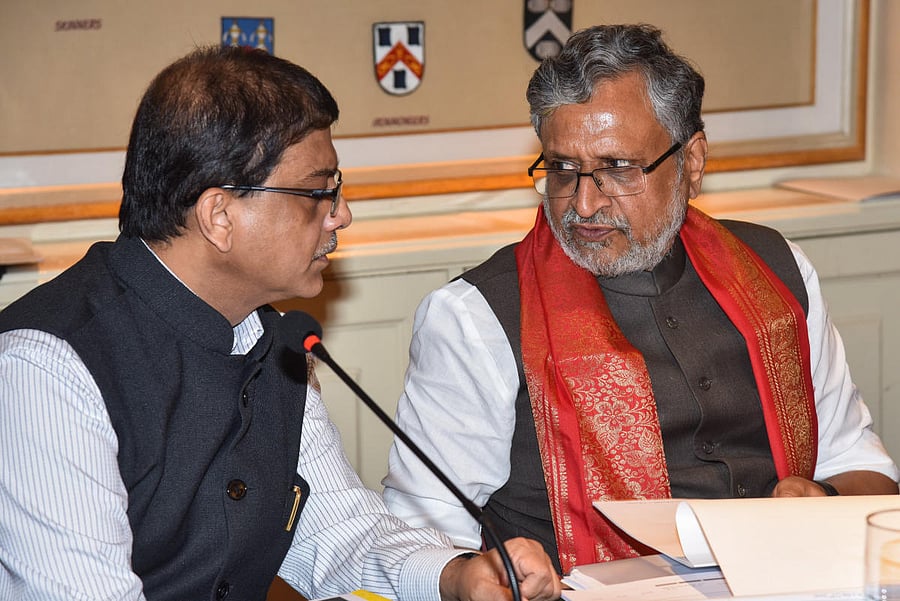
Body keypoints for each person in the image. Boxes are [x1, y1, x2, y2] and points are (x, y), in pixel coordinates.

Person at [0, 46, 561, 601]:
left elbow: (337, 531)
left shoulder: (271, 338)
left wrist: (454, 576)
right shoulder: (44, 367)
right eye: (318, 191)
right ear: (219, 216)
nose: (341, 214)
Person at [382, 24, 900, 575]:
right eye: (562, 169)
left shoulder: (778, 269)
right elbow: (425, 531)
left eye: (617, 169)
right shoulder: (476, 316)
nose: (583, 204)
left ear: (692, 162)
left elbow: (859, 464)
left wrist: (818, 496)